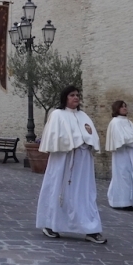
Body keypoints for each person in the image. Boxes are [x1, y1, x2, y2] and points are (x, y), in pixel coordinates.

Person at [36, 86, 106, 244]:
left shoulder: (83, 116)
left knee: (85, 194)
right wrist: (70, 143)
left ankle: (90, 229)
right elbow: (54, 137)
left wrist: (88, 143)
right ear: (65, 98)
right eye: (72, 95)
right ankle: (50, 224)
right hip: (64, 161)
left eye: (77, 95)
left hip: (83, 162)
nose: (76, 97)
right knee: (58, 190)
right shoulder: (57, 115)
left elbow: (91, 135)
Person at [105, 100, 133, 211]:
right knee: (123, 176)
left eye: (125, 106)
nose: (125, 108)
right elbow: (120, 139)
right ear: (116, 109)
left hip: (132, 153)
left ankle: (129, 201)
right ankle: (121, 202)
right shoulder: (115, 122)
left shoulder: (128, 121)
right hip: (122, 154)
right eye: (122, 107)